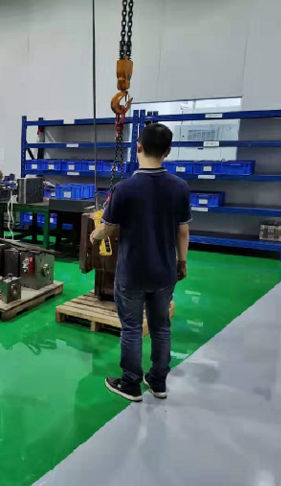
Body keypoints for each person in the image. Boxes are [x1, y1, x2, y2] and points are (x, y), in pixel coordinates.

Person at [90, 123, 191, 402]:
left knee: (132, 327)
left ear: (138, 147)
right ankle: (158, 382)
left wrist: (95, 233)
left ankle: (131, 383)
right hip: (164, 271)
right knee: (160, 327)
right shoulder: (179, 187)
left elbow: (109, 228)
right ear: (168, 152)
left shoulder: (125, 189)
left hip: (132, 272)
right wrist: (181, 261)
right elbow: (182, 230)